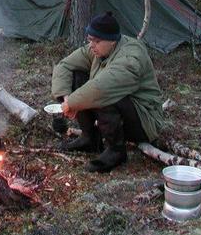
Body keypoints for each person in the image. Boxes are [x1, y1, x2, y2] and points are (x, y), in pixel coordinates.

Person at [51, 11, 169, 173]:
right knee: (77, 75)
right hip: (120, 114)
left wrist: (72, 103)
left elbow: (103, 87)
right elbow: (64, 66)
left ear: (113, 41)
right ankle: (90, 138)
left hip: (144, 121)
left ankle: (116, 151)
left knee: (104, 93)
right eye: (90, 40)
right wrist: (66, 97)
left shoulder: (131, 55)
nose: (92, 45)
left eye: (97, 41)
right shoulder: (97, 49)